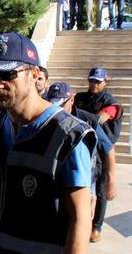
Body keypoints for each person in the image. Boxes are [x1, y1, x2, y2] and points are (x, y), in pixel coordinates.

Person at [0, 32, 97, 254]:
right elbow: (4, 166)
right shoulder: (0, 120)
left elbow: (81, 217)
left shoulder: (68, 135)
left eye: (7, 75)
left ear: (35, 74)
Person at [46, 82, 117, 219]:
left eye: (61, 104)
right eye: (52, 105)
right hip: (57, 176)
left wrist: (111, 181)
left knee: (82, 217)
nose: (56, 109)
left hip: (84, 178)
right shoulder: (48, 117)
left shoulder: (88, 121)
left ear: (71, 100)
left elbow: (108, 149)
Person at [74, 67, 123, 243]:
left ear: (105, 82)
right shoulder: (80, 98)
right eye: (91, 80)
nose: (93, 84)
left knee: (100, 191)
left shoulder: (111, 102)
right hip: (83, 148)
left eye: (97, 81)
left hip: (103, 152)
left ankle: (96, 227)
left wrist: (75, 113)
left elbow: (99, 119)